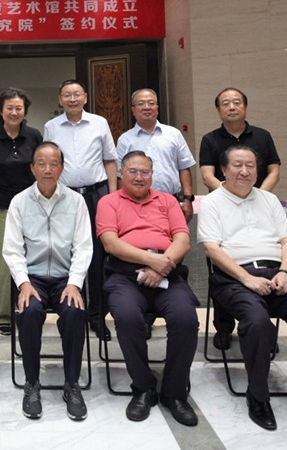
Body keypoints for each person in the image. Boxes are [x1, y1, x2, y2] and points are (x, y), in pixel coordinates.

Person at [197, 145, 287, 433]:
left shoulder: (269, 200)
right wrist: (246, 278)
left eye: (250, 166)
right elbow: (212, 249)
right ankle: (258, 395)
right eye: (237, 165)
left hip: (276, 274)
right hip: (234, 278)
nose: (244, 171)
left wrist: (286, 272)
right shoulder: (212, 202)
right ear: (223, 170)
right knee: (257, 322)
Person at [96, 150, 199, 426]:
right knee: (127, 317)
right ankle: (143, 388)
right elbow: (110, 243)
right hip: (125, 275)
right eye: (133, 171)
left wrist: (160, 266)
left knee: (186, 318)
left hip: (168, 272)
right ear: (121, 174)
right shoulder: (108, 202)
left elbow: (182, 240)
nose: (139, 177)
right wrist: (151, 261)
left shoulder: (167, 200)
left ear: (152, 175)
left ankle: (174, 392)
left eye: (145, 172)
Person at [3, 142, 92, 421]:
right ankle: (32, 383)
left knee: (75, 312)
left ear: (62, 168)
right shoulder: (19, 202)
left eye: (54, 164)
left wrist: (75, 283)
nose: (48, 169)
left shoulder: (76, 201)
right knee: (29, 312)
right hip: (33, 279)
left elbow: (84, 247)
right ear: (32, 168)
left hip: (66, 278)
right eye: (41, 164)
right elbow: (12, 249)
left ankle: (72, 384)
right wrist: (23, 283)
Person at [199, 87, 281, 351]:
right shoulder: (210, 139)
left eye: (236, 102)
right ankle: (224, 328)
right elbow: (207, 175)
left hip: (258, 206)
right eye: (225, 103)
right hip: (223, 209)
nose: (231, 107)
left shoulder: (263, 136)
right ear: (218, 109)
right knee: (223, 266)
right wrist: (231, 195)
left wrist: (256, 197)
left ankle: (263, 328)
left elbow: (274, 170)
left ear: (245, 106)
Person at [116, 88, 196, 339]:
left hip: (169, 202)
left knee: (171, 250)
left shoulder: (173, 134)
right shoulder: (126, 139)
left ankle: (170, 304)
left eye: (151, 103)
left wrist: (187, 198)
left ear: (158, 107)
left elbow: (184, 167)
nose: (147, 107)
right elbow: (120, 176)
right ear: (133, 110)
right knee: (141, 249)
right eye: (141, 104)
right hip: (134, 204)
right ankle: (144, 313)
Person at [44, 79, 117, 342]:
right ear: (60, 99)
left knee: (97, 256)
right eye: (67, 95)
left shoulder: (99, 123)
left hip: (97, 194)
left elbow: (110, 161)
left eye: (76, 94)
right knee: (68, 252)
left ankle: (97, 315)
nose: (72, 99)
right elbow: (47, 164)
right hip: (65, 198)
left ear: (85, 97)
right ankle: (72, 312)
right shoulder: (51, 127)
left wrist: (112, 197)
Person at [0, 87, 43, 336]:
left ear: (25, 110)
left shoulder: (34, 136)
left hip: (31, 208)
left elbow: (39, 169)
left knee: (32, 258)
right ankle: (3, 314)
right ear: (1, 110)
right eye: (9, 108)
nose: (14, 112)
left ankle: (28, 308)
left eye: (19, 108)